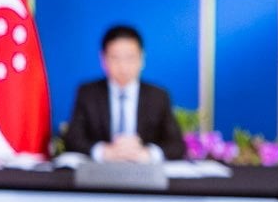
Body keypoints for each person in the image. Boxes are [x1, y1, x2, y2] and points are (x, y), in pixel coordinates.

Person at [60, 24, 185, 163]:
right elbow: (72, 140)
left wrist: (147, 153)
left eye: (130, 58)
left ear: (142, 59)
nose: (123, 66)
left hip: (145, 174)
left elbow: (177, 145)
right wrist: (104, 151)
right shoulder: (88, 93)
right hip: (101, 174)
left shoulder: (158, 96)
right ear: (103, 60)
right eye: (115, 58)